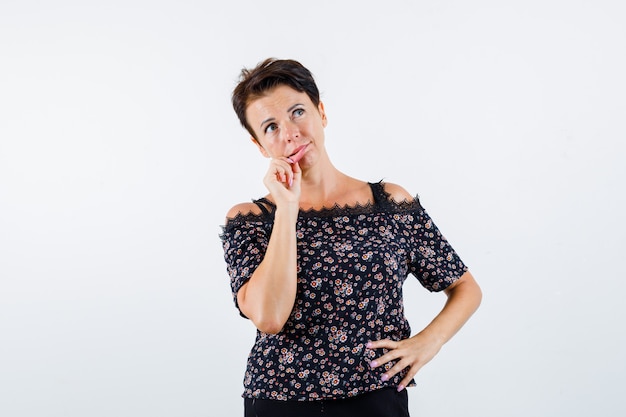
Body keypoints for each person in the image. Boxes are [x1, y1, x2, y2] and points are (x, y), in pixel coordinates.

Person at [220, 58, 482, 417]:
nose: (290, 132)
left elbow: (466, 287)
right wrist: (287, 208)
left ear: (321, 112)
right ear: (259, 146)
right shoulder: (249, 221)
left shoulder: (390, 203)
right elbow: (269, 318)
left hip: (376, 399)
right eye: (270, 127)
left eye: (298, 111)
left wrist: (427, 343)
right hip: (280, 404)